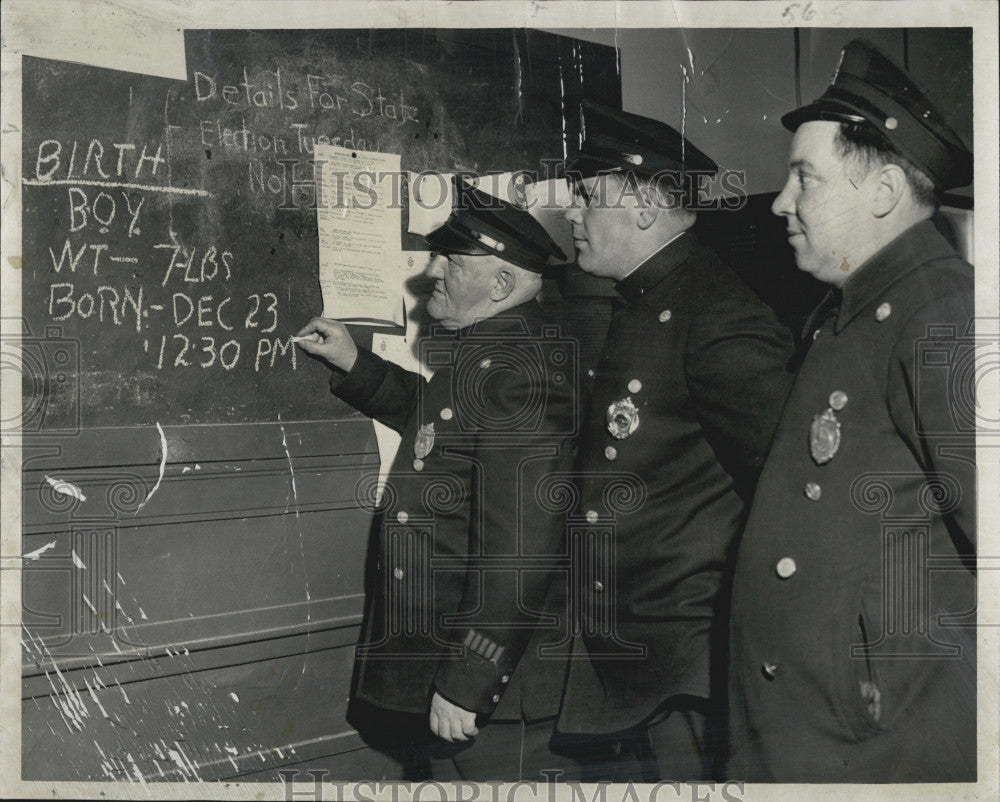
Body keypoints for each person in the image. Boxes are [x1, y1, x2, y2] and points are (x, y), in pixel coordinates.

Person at [727, 39, 976, 782]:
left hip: (875, 742)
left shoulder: (941, 312)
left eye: (805, 179)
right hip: (820, 726)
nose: (780, 203)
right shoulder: (858, 308)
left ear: (883, 192)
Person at [296, 179, 577, 781]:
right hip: (442, 663)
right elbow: (443, 429)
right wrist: (356, 363)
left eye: (453, 258)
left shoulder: (519, 374)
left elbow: (521, 550)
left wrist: (471, 679)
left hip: (483, 693)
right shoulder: (488, 353)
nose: (434, 271)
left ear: (502, 285)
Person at [555, 101, 796, 781]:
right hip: (628, 662)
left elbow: (787, 495)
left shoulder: (717, 316)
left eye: (586, 197)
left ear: (643, 206)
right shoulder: (642, 304)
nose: (573, 213)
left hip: (686, 669)